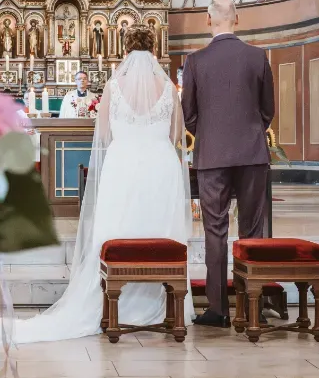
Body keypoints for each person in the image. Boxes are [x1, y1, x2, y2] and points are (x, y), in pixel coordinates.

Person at [15, 25, 193, 343]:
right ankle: (166, 306)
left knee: (121, 230)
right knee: (157, 232)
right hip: (161, 168)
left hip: (122, 166)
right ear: (154, 50)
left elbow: (105, 134)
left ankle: (112, 304)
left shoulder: (114, 85)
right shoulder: (167, 87)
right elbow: (176, 134)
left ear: (125, 50)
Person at [182, 0, 275, 327]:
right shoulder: (257, 57)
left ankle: (218, 309)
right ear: (238, 19)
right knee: (252, 231)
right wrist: (250, 132)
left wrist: (208, 133)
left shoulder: (194, 61)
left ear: (208, 20)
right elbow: (268, 111)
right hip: (252, 153)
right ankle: (252, 305)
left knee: (215, 231)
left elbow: (188, 114)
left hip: (212, 155)